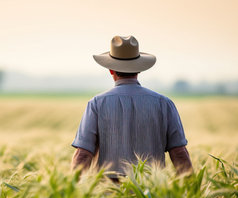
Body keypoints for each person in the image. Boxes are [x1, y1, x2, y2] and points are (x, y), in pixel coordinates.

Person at [71, 35, 192, 180]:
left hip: (107, 196)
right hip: (152, 197)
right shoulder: (164, 103)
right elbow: (179, 153)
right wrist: (193, 193)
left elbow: (83, 154)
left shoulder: (96, 103)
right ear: (139, 69)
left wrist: (73, 192)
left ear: (110, 70)